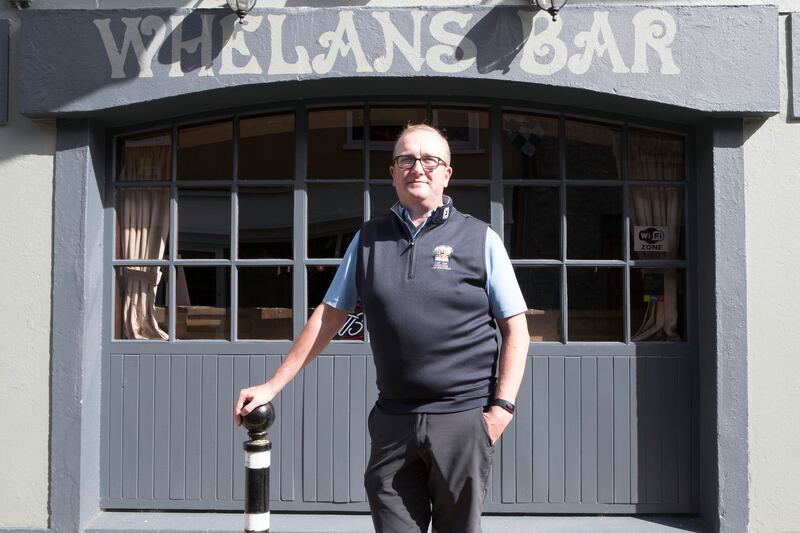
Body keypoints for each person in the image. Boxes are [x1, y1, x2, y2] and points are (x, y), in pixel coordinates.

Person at [234, 123, 529, 533]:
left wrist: (501, 411)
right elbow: (328, 316)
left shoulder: (480, 238)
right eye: (406, 159)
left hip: (462, 419)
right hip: (394, 420)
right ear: (392, 173)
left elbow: (517, 328)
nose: (417, 168)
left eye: (430, 160)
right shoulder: (369, 239)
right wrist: (272, 385)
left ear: (447, 173)